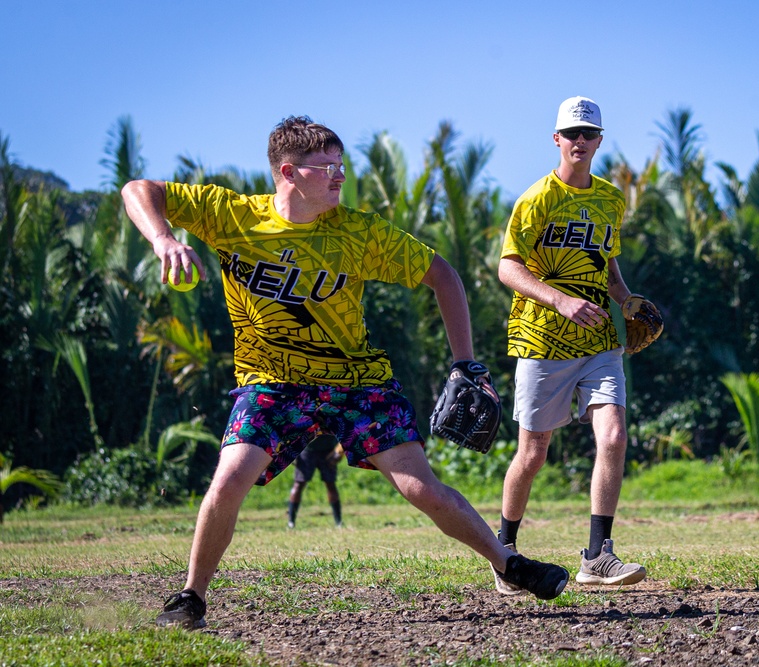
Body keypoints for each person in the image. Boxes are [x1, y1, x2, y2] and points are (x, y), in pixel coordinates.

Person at [121, 115, 569, 630]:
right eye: (326, 167)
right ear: (289, 172)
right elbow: (140, 188)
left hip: (357, 380)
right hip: (274, 380)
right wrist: (162, 238)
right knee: (229, 478)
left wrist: (465, 363)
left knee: (420, 486)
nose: (339, 176)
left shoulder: (357, 232)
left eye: (342, 165)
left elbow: (443, 275)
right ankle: (190, 598)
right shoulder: (232, 217)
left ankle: (508, 564)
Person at [494, 97, 647, 594]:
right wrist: (560, 301)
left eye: (589, 134)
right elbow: (508, 267)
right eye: (571, 134)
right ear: (556, 140)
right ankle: (505, 552)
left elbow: (607, 267)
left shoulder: (608, 199)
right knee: (534, 453)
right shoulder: (536, 199)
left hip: (601, 340)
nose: (580, 141)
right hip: (542, 341)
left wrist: (628, 301)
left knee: (614, 436)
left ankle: (598, 557)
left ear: (600, 140)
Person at [287, 436, 343, 528]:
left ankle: (339, 522)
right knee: (299, 484)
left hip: (329, 450)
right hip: (306, 449)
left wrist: (339, 450)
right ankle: (291, 522)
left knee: (331, 483)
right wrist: (291, 451)